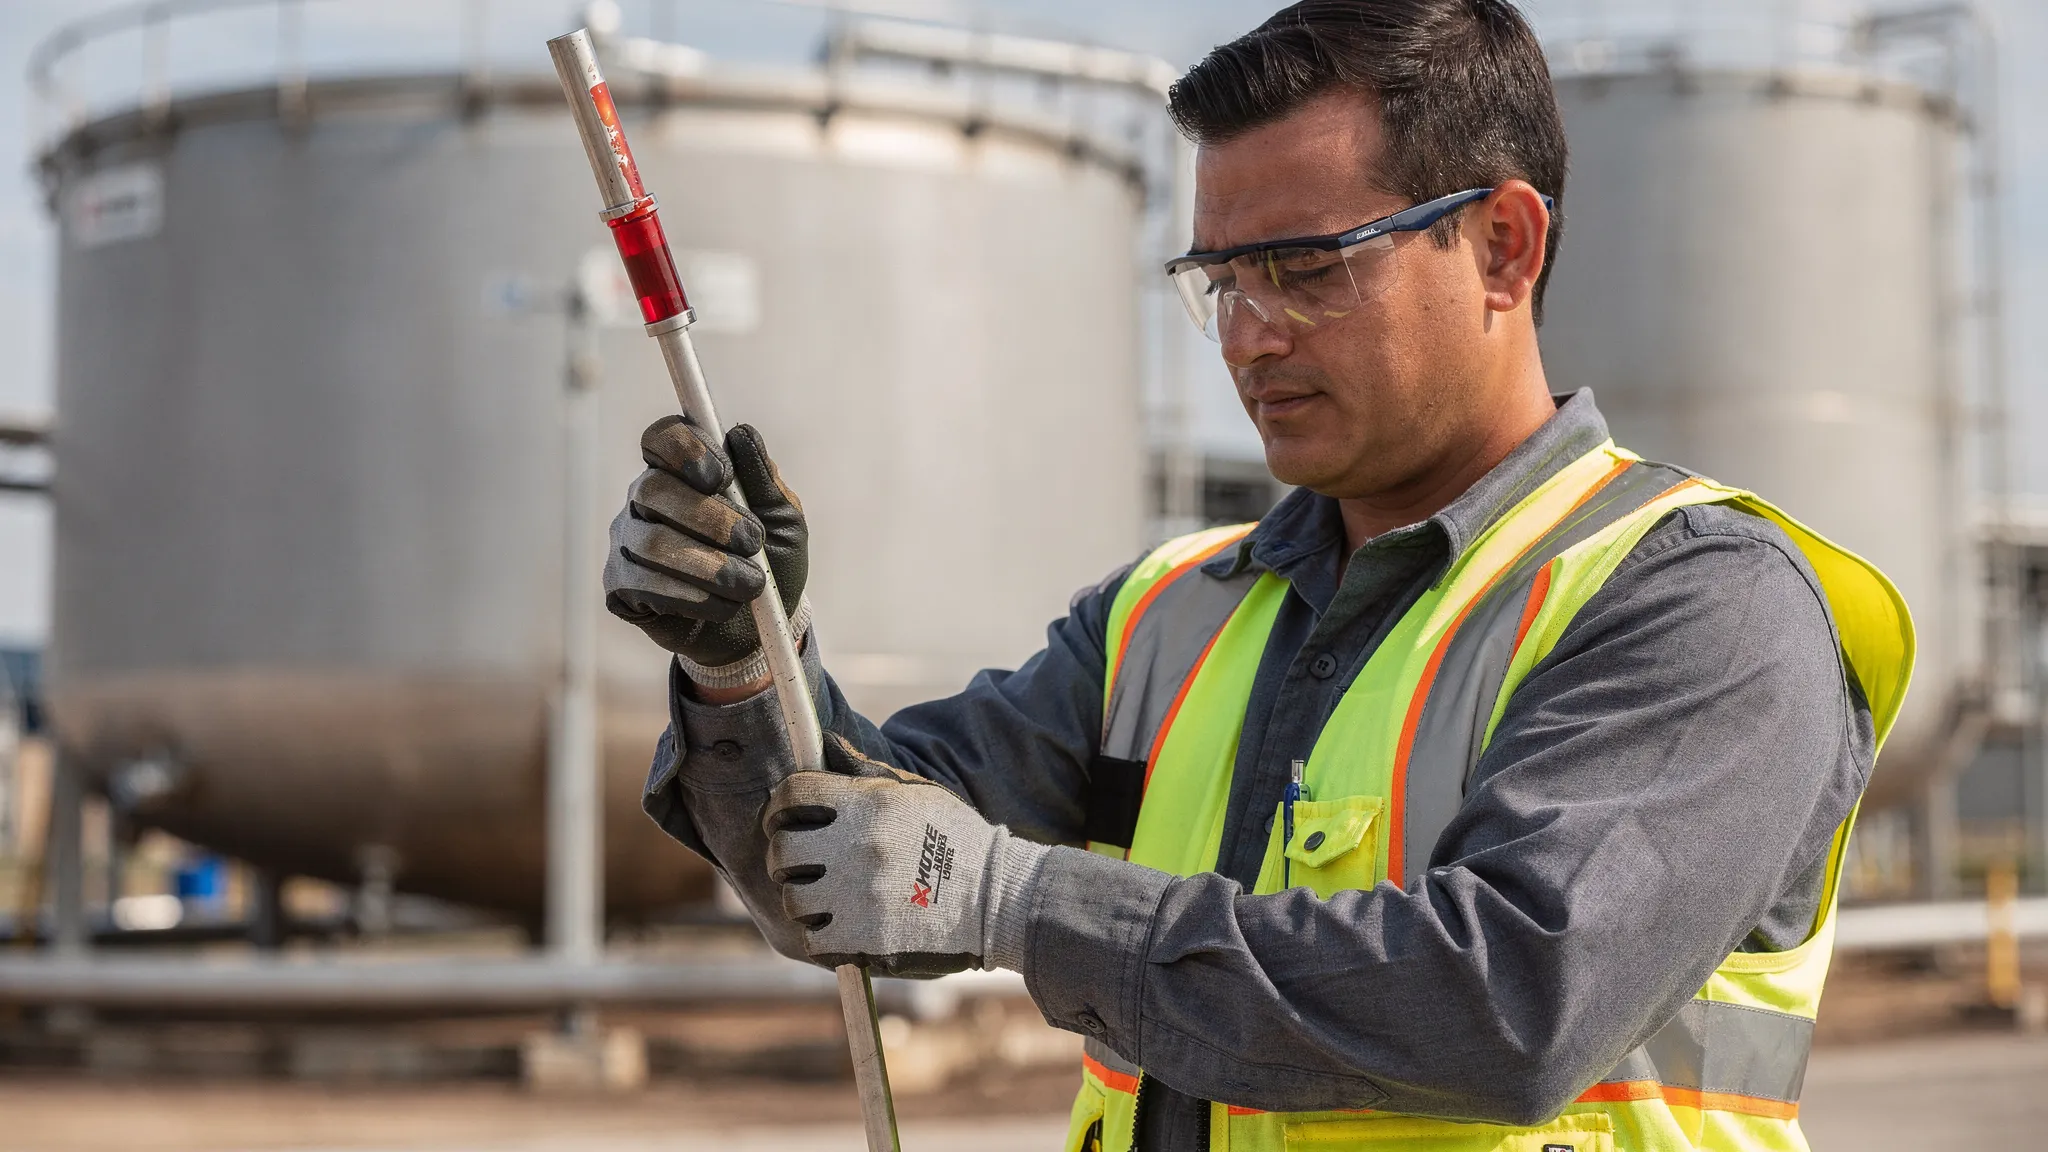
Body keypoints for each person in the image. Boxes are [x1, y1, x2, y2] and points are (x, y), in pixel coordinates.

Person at [601, 1, 1913, 1148]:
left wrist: (1019, 902)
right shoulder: (1165, 618)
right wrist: (744, 665)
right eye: (1219, 278)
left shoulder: (1695, 603)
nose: (1248, 336)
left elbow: (1510, 1004)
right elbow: (845, 868)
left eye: (1305, 269)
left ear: (1505, 247)